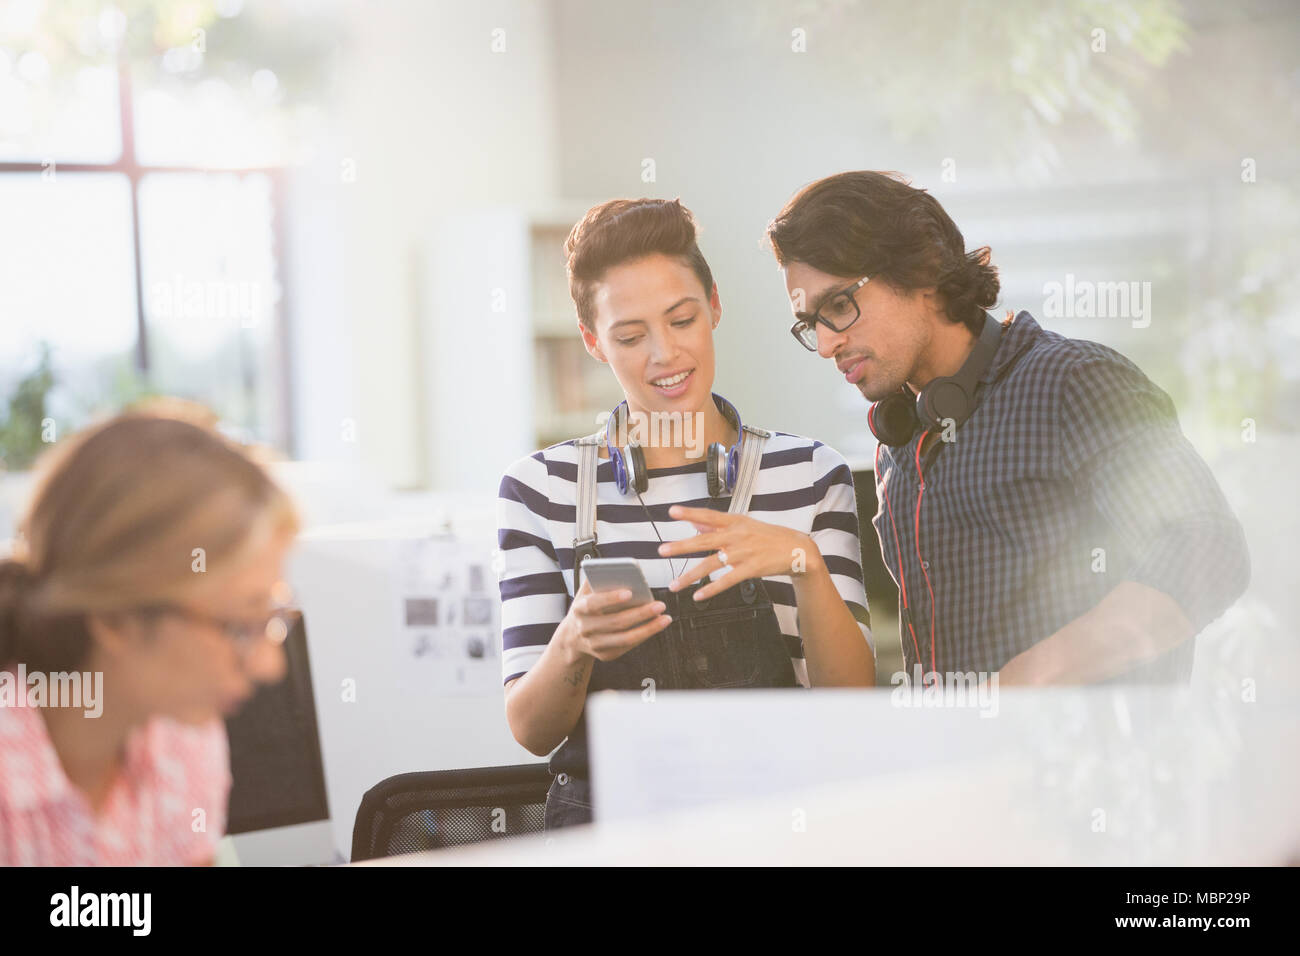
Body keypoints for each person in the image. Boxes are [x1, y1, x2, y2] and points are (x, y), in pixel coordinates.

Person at [765, 170, 1250, 685]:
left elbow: (1209, 548)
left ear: (923, 270)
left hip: (1091, 761)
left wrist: (1029, 678)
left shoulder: (1074, 382)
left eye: (839, 305)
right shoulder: (902, 440)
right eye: (809, 323)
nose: (824, 344)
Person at [496, 198, 876, 828]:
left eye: (681, 320)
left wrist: (802, 562)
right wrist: (573, 644)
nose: (664, 354)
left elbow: (849, 705)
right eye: (630, 335)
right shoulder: (542, 491)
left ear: (714, 307)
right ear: (593, 341)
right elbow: (532, 732)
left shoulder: (811, 473)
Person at [0, 401, 300, 865]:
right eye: (240, 626)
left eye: (273, 617)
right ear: (117, 619)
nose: (270, 666)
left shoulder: (182, 740)